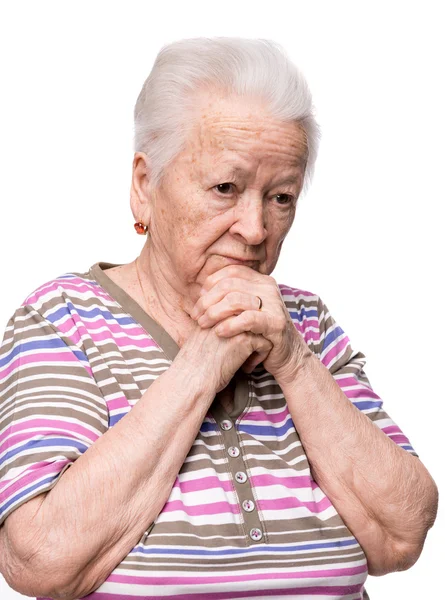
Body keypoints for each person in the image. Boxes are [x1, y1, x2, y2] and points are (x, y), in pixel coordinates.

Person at [0, 36, 438, 600]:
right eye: (225, 188)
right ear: (144, 188)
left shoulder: (305, 323)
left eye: (281, 197)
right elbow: (40, 561)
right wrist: (205, 359)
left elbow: (402, 534)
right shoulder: (62, 322)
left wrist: (293, 360)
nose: (255, 229)